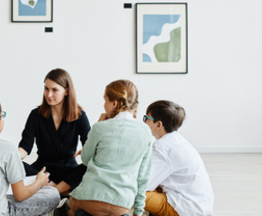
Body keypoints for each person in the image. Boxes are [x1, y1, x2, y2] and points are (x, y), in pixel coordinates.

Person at [68, 79, 152, 216]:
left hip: (90, 199)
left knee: (70, 205)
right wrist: (138, 211)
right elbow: (143, 176)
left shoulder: (100, 127)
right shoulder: (145, 132)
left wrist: (99, 123)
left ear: (114, 103)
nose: (104, 105)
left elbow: (85, 159)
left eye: (105, 100)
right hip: (121, 204)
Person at [18, 68, 91, 196]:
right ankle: (59, 190)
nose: (49, 94)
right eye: (46, 89)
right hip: (42, 170)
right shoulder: (35, 115)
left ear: (67, 91)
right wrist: (11, 157)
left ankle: (53, 191)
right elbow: (25, 148)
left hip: (69, 170)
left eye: (54, 90)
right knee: (15, 164)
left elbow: (89, 147)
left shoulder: (80, 116)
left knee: (89, 167)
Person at [143, 100, 214, 216]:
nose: (144, 122)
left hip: (186, 208)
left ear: (159, 124)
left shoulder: (163, 148)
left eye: (146, 118)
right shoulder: (176, 141)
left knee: (132, 192)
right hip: (199, 204)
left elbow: (145, 184)